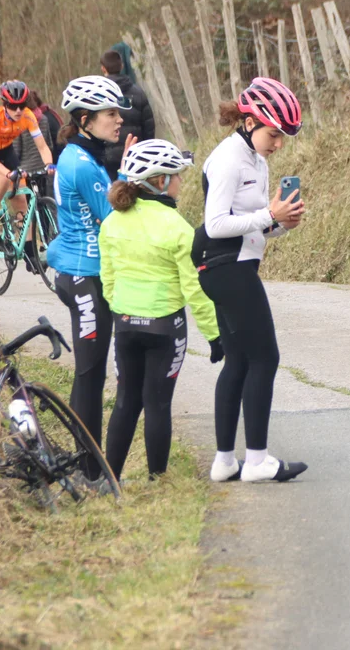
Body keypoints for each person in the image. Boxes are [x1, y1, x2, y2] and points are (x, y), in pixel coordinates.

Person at [191, 77, 307, 483]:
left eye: (283, 137)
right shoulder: (229, 158)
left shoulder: (256, 159)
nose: (278, 144)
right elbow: (216, 224)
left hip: (233, 264)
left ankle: (225, 462)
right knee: (265, 358)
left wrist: (282, 224)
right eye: (274, 134)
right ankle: (256, 461)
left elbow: (253, 225)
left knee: (239, 361)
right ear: (251, 121)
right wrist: (269, 215)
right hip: (226, 266)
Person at [99, 140, 223, 481]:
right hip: (165, 327)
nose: (180, 181)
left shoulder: (111, 222)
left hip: (125, 324)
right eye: (176, 175)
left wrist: (122, 309)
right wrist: (214, 335)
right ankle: (158, 480)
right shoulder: (178, 227)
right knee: (157, 404)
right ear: (160, 181)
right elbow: (194, 289)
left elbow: (108, 279)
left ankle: (110, 479)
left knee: (125, 401)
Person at [46, 75, 133, 479]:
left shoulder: (84, 154)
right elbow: (115, 217)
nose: (119, 120)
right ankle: (88, 471)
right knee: (89, 373)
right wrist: (133, 179)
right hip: (84, 276)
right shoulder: (82, 163)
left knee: (91, 374)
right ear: (85, 119)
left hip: (84, 272)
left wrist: (122, 170)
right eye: (111, 114)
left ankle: (84, 465)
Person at [0, 81, 54, 258]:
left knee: (22, 199)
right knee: (3, 179)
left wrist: (49, 165)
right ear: (5, 104)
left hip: (6, 151)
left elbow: (42, 146)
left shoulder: (28, 116)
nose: (18, 110)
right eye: (13, 106)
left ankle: (29, 252)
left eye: (22, 105)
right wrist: (8, 173)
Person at [101, 49, 155, 175]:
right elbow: (149, 127)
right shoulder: (138, 93)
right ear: (122, 66)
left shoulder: (99, 95)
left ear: (103, 69)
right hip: (136, 158)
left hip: (108, 161)